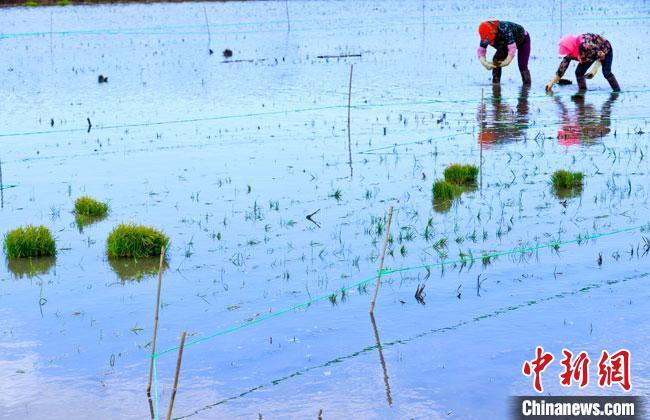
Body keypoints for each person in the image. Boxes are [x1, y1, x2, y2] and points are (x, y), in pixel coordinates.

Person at [546, 34, 620, 92]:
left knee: (606, 73)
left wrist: (594, 71)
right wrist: (551, 83)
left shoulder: (585, 45)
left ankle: (617, 91)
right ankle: (582, 91)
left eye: (569, 52)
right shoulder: (571, 53)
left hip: (604, 49)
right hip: (588, 55)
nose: (568, 54)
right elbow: (562, 68)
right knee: (579, 72)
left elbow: (601, 55)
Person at [477, 20, 531, 86]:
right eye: (487, 39)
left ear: (493, 31)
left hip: (523, 40)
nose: (488, 40)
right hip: (505, 44)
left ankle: (527, 87)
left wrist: (506, 62)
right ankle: (496, 85)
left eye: (490, 37)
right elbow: (481, 51)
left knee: (523, 65)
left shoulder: (504, 28)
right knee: (496, 60)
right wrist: (485, 63)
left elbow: (512, 48)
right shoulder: (485, 37)